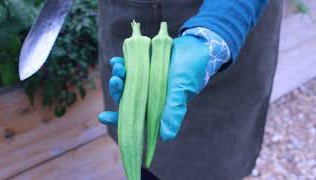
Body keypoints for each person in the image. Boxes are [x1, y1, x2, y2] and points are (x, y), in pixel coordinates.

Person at [97, 0, 283, 179]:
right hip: (127, 16)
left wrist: (218, 28)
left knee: (212, 162)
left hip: (231, 18)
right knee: (144, 155)